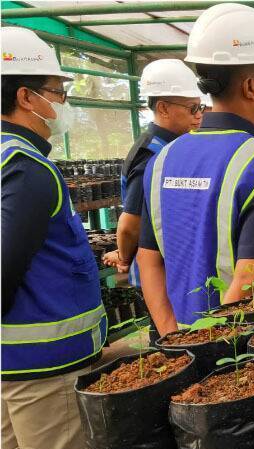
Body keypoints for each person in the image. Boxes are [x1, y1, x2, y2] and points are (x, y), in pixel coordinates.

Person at [136, 3, 254, 332]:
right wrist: (211, 350)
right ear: (250, 86)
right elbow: (251, 280)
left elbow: (148, 259)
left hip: (176, 340)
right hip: (235, 352)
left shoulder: (162, 159)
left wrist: (175, 339)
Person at [1, 26, 107, 449]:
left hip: (11, 360)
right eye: (57, 93)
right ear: (27, 96)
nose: (63, 104)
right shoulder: (28, 168)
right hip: (41, 363)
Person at [102, 59, 204, 289]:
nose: (199, 115)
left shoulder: (171, 148)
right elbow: (130, 225)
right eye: (192, 108)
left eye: (201, 107)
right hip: (158, 278)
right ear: (163, 108)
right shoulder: (151, 155)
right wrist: (124, 257)